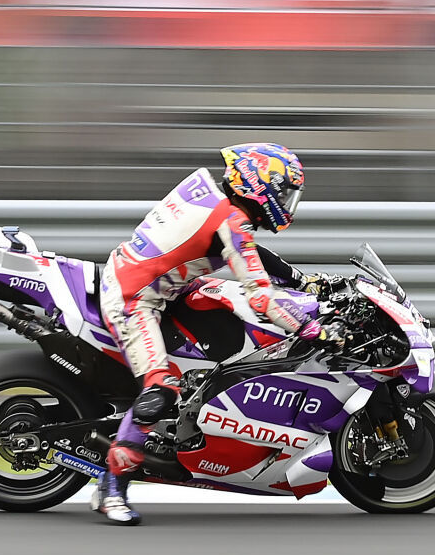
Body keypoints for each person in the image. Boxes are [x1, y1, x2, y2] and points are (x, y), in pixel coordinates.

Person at [93, 142, 312, 525]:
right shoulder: (232, 220)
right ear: (259, 184)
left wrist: (302, 280)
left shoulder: (215, 197)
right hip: (135, 299)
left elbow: (245, 251)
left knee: (228, 317)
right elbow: (261, 298)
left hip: (160, 282)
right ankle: (112, 486)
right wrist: (311, 329)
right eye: (283, 193)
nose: (286, 203)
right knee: (161, 390)